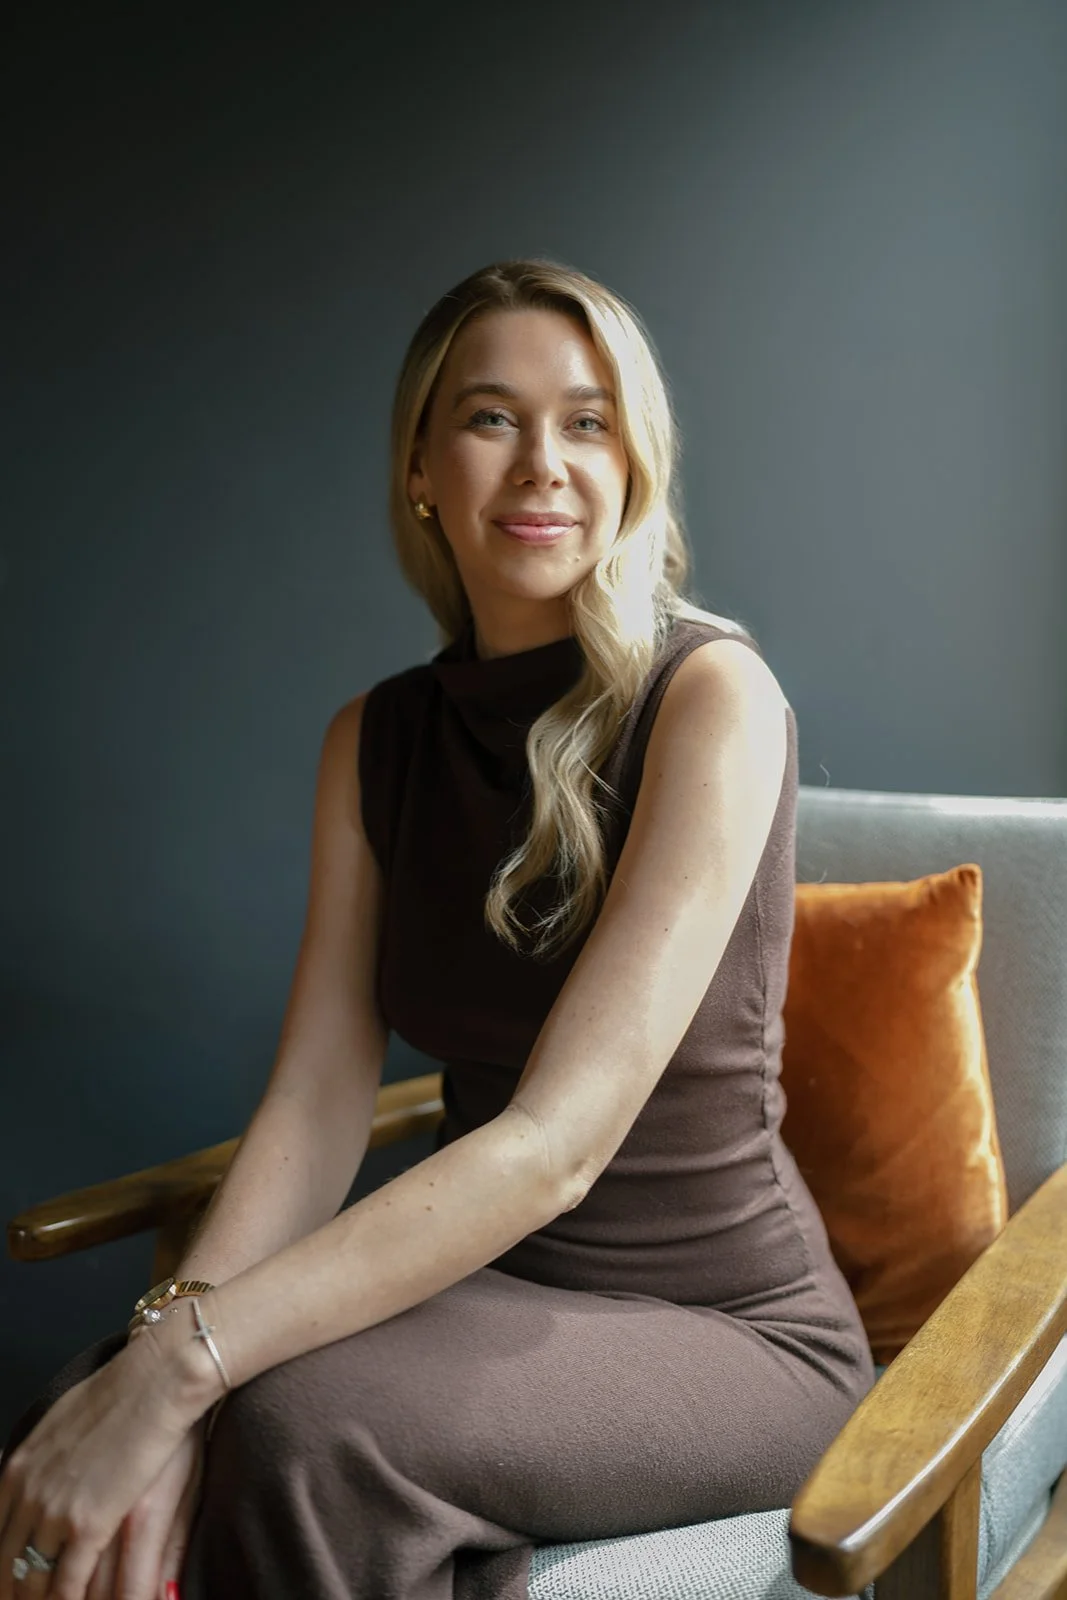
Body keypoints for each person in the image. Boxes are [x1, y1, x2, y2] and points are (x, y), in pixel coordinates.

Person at [0, 257, 875, 1600]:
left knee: (292, 1426)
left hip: (725, 1333)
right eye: (490, 417)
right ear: (420, 464)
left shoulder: (711, 698)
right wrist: (155, 1359)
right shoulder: (378, 740)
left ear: (632, 462)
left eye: (586, 421)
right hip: (481, 1298)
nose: (542, 462)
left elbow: (552, 1150)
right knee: (80, 1403)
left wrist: (193, 1361)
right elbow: (311, 1108)